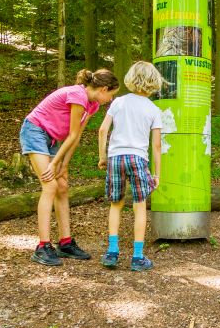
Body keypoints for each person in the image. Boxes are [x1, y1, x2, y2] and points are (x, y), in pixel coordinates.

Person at [20, 68, 119, 266]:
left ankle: (65, 243)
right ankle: (42, 246)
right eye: (111, 94)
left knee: (63, 186)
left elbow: (77, 137)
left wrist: (64, 165)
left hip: (53, 139)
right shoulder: (77, 95)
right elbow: (72, 134)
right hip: (35, 131)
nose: (110, 99)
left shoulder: (92, 105)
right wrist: (55, 163)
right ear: (103, 89)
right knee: (50, 186)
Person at [97, 61, 164, 271]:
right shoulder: (154, 109)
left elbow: (102, 130)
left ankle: (112, 252)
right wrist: (157, 174)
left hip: (116, 157)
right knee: (139, 206)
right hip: (138, 158)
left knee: (116, 204)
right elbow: (156, 145)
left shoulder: (118, 102)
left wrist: (102, 157)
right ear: (154, 81)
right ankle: (137, 257)